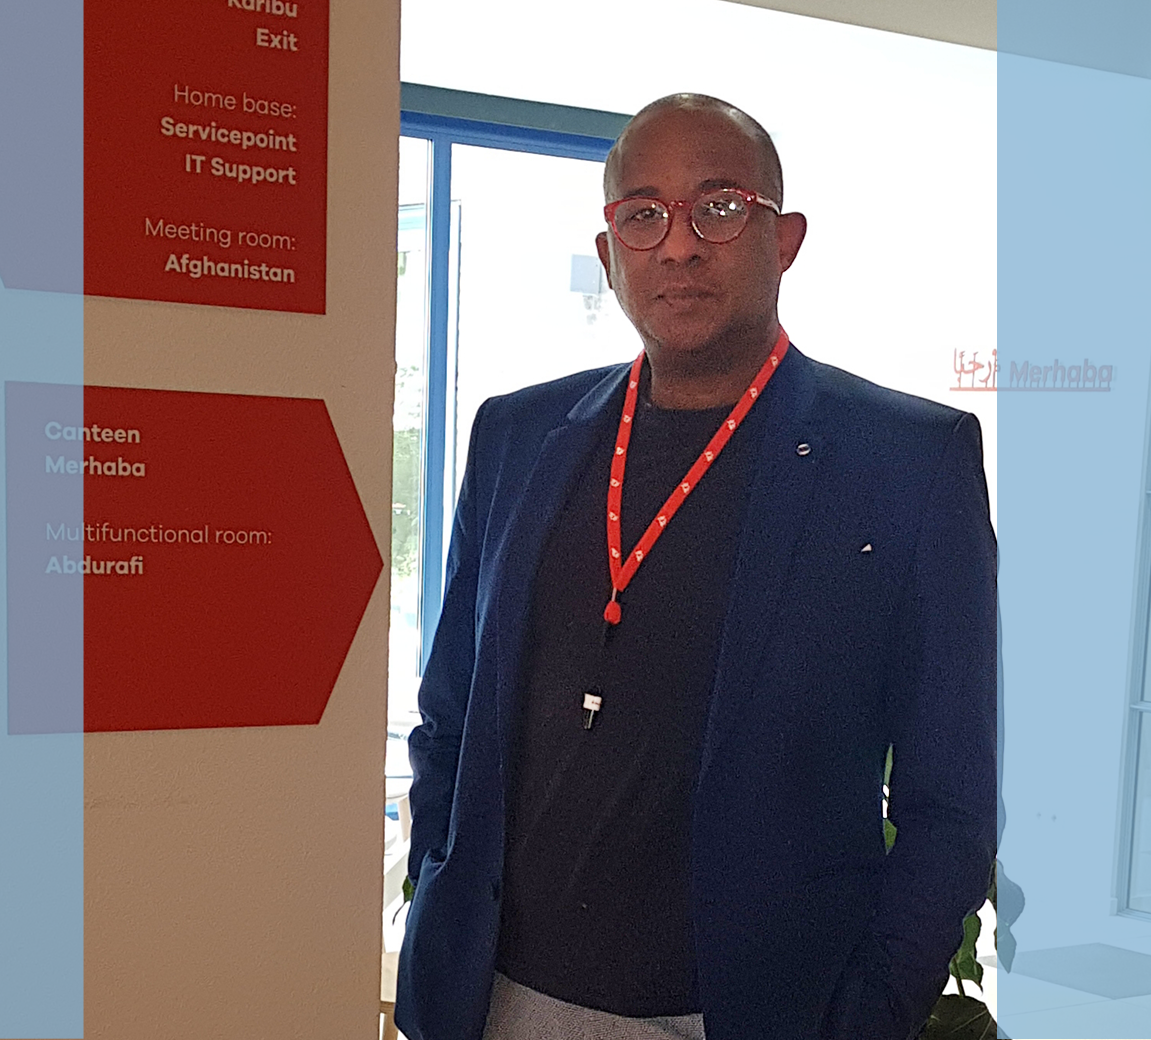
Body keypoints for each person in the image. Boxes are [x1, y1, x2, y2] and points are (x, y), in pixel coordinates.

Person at [395, 93, 996, 1040]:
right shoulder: (516, 436)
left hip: (745, 1011)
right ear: (609, 254)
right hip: (495, 998)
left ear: (785, 239)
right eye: (644, 215)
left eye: (718, 207)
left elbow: (951, 799)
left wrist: (866, 1014)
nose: (678, 246)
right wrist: (438, 877)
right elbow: (452, 716)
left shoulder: (906, 463)